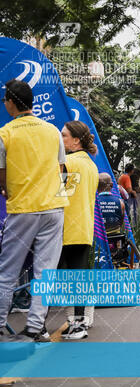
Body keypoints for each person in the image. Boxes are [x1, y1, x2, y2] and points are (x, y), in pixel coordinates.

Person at [0, 79, 68, 342]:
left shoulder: (5, 133)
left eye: (5, 100)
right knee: (45, 272)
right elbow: (61, 170)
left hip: (23, 209)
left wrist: (8, 189)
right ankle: (35, 328)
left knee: (7, 271)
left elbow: (2, 177)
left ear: (11, 102)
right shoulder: (52, 131)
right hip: (54, 209)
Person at [58, 120, 99, 340]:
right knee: (78, 281)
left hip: (64, 230)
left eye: (63, 135)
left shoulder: (69, 163)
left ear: (76, 140)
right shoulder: (90, 164)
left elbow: (61, 195)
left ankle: (37, 328)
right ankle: (78, 326)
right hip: (83, 229)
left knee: (49, 278)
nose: (60, 138)